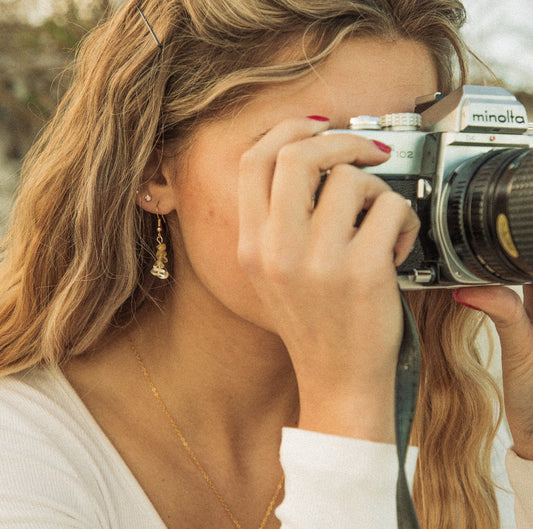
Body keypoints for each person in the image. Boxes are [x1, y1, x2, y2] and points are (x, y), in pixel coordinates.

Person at [0, 0, 532, 527]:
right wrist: (346, 412)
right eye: (316, 158)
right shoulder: (24, 446)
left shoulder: (471, 403)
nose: (377, 206)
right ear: (154, 173)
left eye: (405, 154)